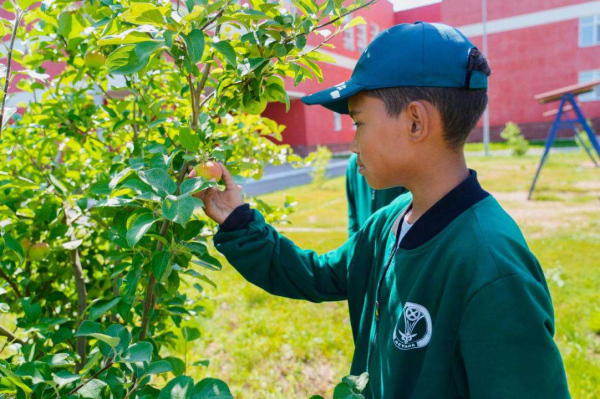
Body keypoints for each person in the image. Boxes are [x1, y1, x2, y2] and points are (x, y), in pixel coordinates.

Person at [191, 22, 570, 398]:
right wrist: (238, 222)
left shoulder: (492, 271)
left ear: (416, 122)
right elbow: (317, 276)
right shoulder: (392, 220)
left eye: (359, 123)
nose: (353, 144)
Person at [346, 152, 408, 236]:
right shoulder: (353, 163)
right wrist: (355, 243)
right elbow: (352, 215)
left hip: (393, 242)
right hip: (364, 242)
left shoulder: (401, 162)